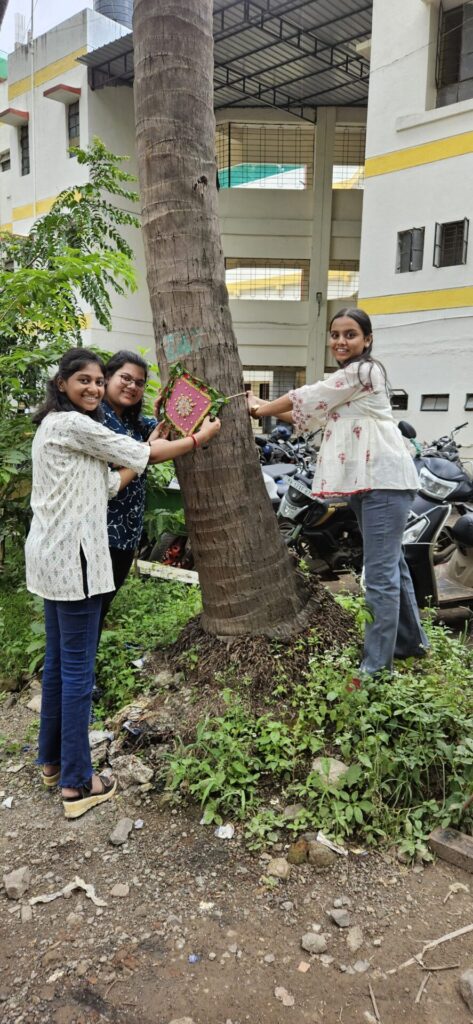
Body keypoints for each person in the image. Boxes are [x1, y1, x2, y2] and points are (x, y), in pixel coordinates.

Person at [25, 348, 220, 818]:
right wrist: (199, 438)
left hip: (54, 561)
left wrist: (145, 447)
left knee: (59, 665)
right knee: (77, 672)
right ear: (62, 383)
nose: (94, 388)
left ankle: (52, 762)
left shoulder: (58, 426)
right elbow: (145, 454)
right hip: (76, 562)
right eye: (85, 380)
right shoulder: (75, 424)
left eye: (97, 381)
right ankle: (77, 784)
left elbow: (111, 484)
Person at [247, 307, 428, 679]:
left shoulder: (363, 371)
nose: (341, 341)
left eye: (350, 334)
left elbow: (305, 395)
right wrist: (262, 409)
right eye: (335, 335)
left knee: (379, 576)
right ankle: (410, 643)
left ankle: (376, 669)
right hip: (370, 482)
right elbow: (305, 414)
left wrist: (259, 407)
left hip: (384, 483)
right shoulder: (346, 384)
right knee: (392, 566)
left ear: (367, 339)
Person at [99, 350, 162, 632]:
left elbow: (163, 432)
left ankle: (84, 659)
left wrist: (163, 413)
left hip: (126, 535)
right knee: (88, 611)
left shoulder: (132, 421)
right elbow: (144, 453)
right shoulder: (96, 418)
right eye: (125, 378)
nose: (132, 386)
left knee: (101, 608)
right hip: (99, 534)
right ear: (107, 377)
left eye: (139, 383)